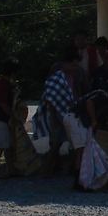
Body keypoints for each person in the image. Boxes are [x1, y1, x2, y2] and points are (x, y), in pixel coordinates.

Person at [39, 49, 80, 177]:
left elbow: (72, 93)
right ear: (65, 64)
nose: (74, 68)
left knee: (74, 141)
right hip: (57, 114)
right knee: (56, 143)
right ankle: (45, 170)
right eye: (73, 65)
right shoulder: (56, 78)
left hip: (68, 113)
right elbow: (50, 99)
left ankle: (72, 168)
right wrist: (54, 118)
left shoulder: (70, 77)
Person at [0, 58, 21, 178]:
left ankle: (11, 169)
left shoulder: (5, 83)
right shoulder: (2, 84)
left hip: (1, 118)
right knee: (0, 146)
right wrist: (12, 116)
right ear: (12, 73)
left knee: (6, 145)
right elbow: (2, 103)